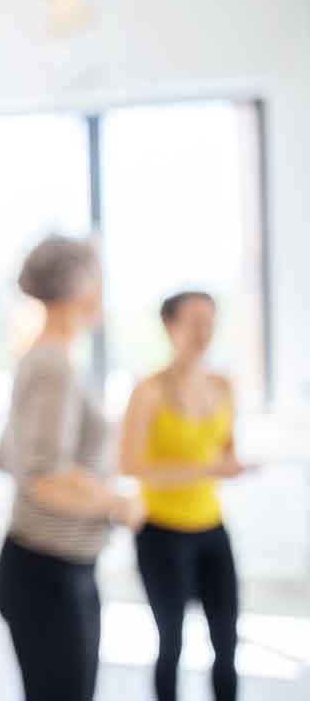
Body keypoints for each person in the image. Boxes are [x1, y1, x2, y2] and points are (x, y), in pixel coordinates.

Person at [0, 234, 145, 701]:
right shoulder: (52, 365)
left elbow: (11, 458)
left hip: (53, 567)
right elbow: (43, 475)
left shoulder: (43, 356)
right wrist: (118, 502)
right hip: (47, 573)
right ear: (82, 288)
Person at [120, 291, 252, 701]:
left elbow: (226, 453)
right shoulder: (148, 390)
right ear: (169, 326)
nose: (204, 332)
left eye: (210, 321)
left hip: (212, 528)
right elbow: (129, 465)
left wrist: (232, 466)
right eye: (194, 322)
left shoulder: (224, 385)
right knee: (171, 643)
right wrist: (206, 469)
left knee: (227, 642)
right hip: (160, 533)